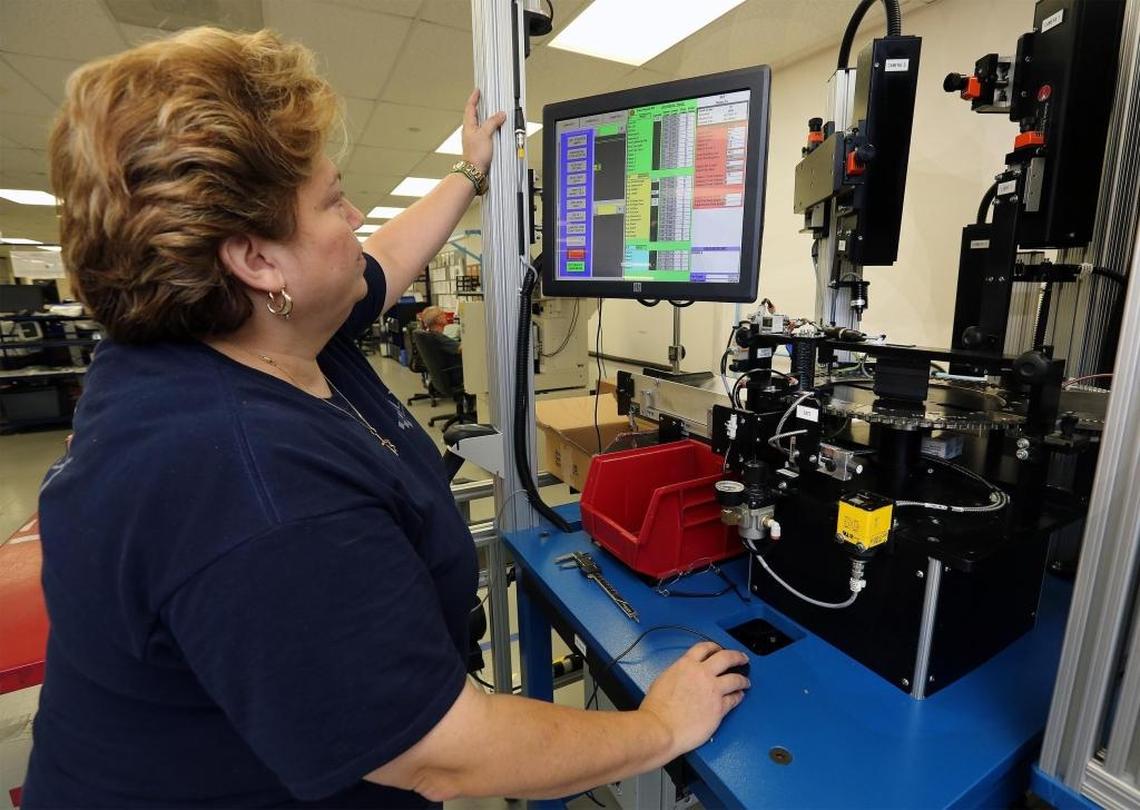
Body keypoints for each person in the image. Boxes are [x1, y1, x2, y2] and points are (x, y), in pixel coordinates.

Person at [23, 27, 749, 808]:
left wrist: (471, 169)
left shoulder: (240, 331)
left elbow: (382, 263)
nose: (359, 212)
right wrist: (661, 727)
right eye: (333, 200)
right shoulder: (251, 484)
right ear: (258, 261)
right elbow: (446, 755)